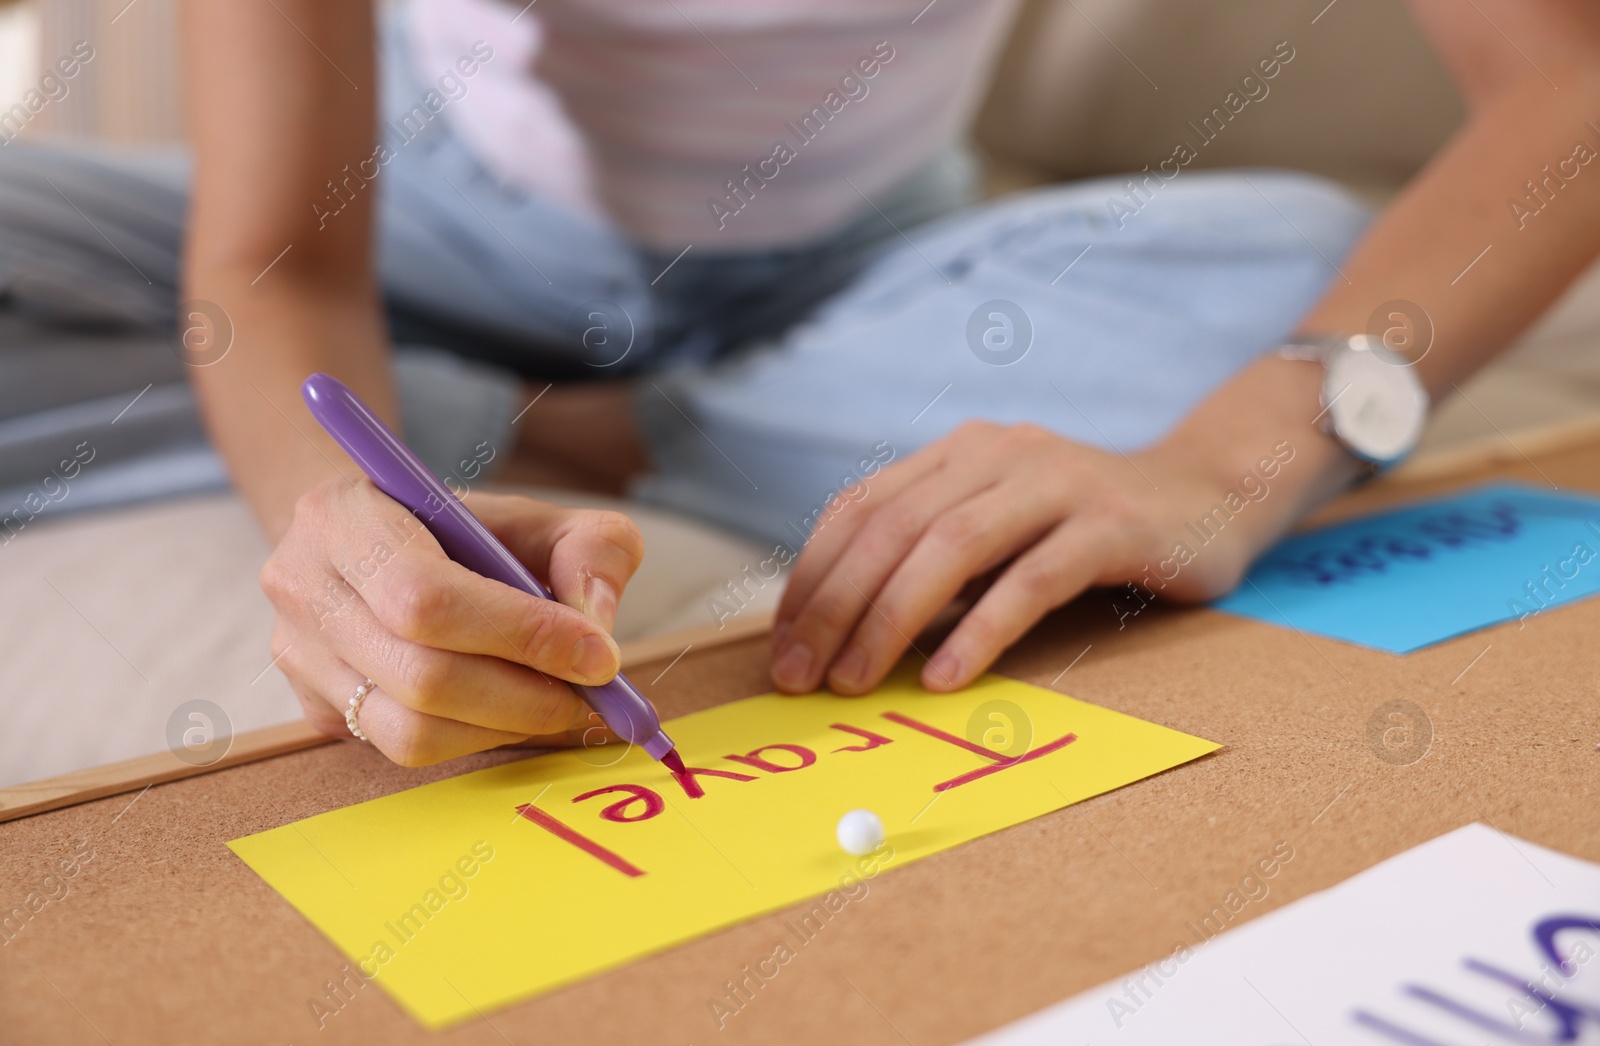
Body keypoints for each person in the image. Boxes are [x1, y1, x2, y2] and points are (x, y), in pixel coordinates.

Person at [2, 0, 1597, 767]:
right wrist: (337, 513)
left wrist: (1227, 465)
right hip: (420, 223)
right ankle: (525, 411)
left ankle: (594, 424)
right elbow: (281, 256)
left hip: (870, 266)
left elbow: (1569, 79)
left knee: (1302, 267)